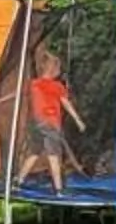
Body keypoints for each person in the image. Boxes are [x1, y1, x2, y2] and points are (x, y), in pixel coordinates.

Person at [24, 49, 83, 193]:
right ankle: (58, 189)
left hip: (37, 123)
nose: (60, 71)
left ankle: (18, 180)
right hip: (51, 123)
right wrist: (78, 120)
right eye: (59, 69)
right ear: (53, 70)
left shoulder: (34, 84)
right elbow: (66, 104)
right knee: (54, 155)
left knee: (34, 153)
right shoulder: (57, 87)